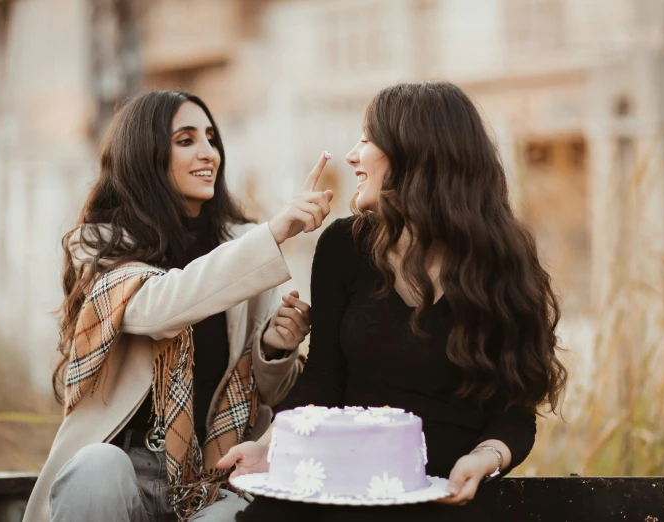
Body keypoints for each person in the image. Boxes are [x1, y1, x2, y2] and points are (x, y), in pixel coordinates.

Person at [218, 81, 568, 522]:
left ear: (413, 153)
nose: (350, 156)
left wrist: (483, 459)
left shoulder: (505, 265)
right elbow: (323, 381)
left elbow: (515, 417)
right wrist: (269, 446)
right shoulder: (344, 247)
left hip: (439, 499)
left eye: (366, 140)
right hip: (341, 489)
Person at [23, 90, 335, 522]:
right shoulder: (99, 246)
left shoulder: (244, 246)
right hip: (124, 468)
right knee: (96, 466)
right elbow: (161, 308)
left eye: (211, 139)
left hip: (213, 473)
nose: (209, 153)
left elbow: (274, 396)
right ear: (145, 155)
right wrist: (274, 233)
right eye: (186, 140)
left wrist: (275, 349)